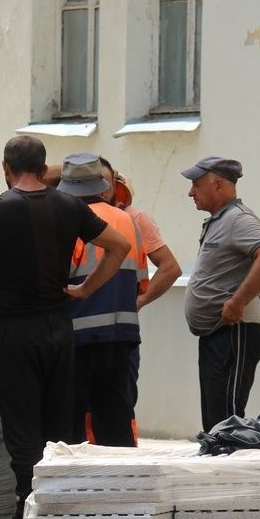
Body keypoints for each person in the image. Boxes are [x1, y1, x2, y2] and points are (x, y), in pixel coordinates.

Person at [0, 136, 131, 519]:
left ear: (6, 168)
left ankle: (27, 509)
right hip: (59, 325)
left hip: (16, 328)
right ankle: (61, 509)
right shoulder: (69, 205)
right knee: (59, 418)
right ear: (42, 167)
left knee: (21, 422)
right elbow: (119, 246)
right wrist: (87, 288)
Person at [181, 155, 260, 432]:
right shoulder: (219, 220)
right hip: (218, 333)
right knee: (216, 419)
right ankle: (217, 467)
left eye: (196, 184)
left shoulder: (239, 219)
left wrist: (238, 302)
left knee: (227, 419)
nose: (191, 192)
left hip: (235, 332)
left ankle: (230, 471)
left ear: (218, 185)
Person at [57, 153, 144, 447]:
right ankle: (124, 482)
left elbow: (62, 275)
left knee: (72, 423)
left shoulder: (70, 218)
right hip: (122, 333)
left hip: (79, 331)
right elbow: (140, 279)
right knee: (115, 416)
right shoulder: (127, 219)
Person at [98, 157, 182, 440]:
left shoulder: (133, 218)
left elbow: (170, 268)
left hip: (120, 332)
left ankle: (121, 470)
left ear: (116, 185)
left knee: (119, 406)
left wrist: (140, 301)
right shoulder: (71, 214)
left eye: (105, 181)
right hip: (79, 331)